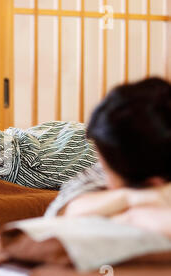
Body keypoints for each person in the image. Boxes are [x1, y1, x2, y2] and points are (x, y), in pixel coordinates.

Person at [44, 77, 171, 237]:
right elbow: (62, 212)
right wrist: (132, 198)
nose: (101, 165)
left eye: (106, 167)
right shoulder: (100, 175)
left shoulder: (127, 161)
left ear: (154, 181)